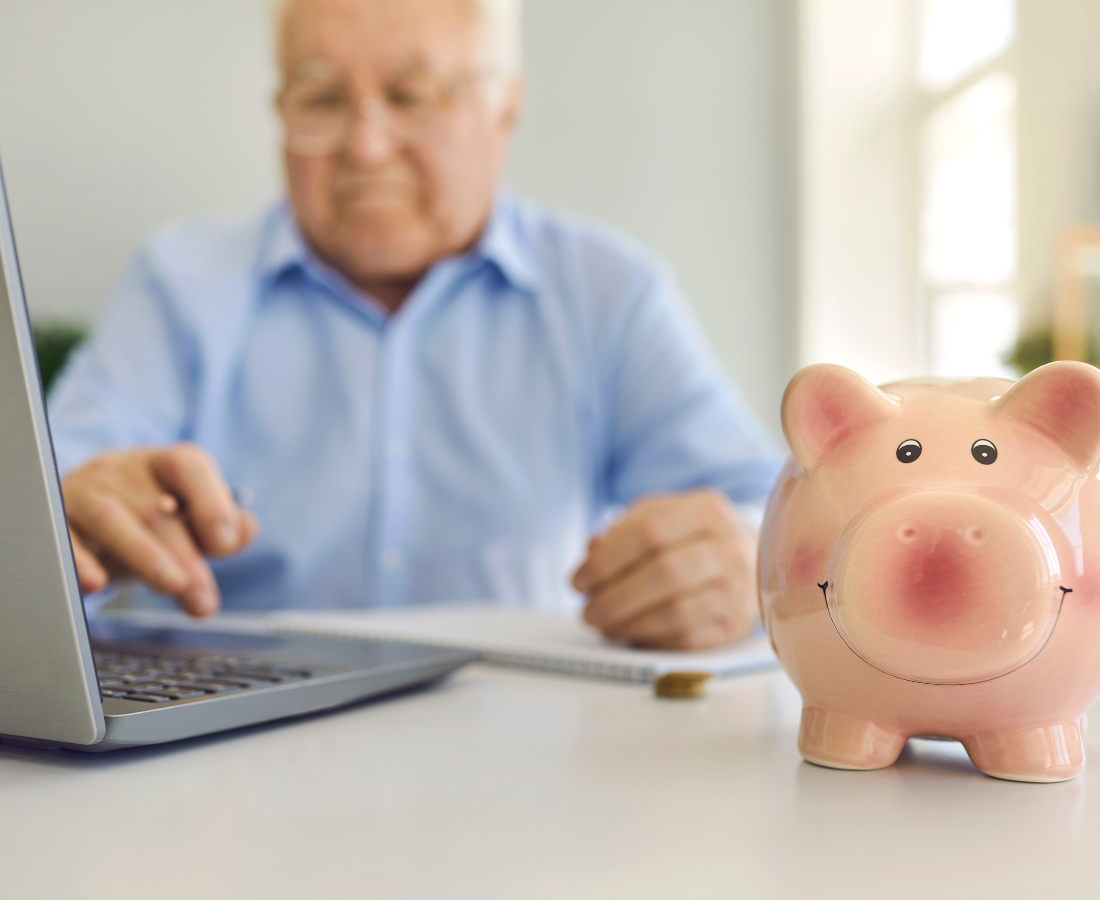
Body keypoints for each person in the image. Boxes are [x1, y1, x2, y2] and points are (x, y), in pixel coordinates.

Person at [48, 0, 782, 650]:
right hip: (220, 753)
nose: (365, 146)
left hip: (524, 748)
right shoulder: (178, 281)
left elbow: (772, 518)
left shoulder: (609, 292)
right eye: (321, 97)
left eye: (411, 95)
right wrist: (75, 513)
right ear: (279, 110)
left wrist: (740, 560)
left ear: (504, 109)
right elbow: (42, 520)